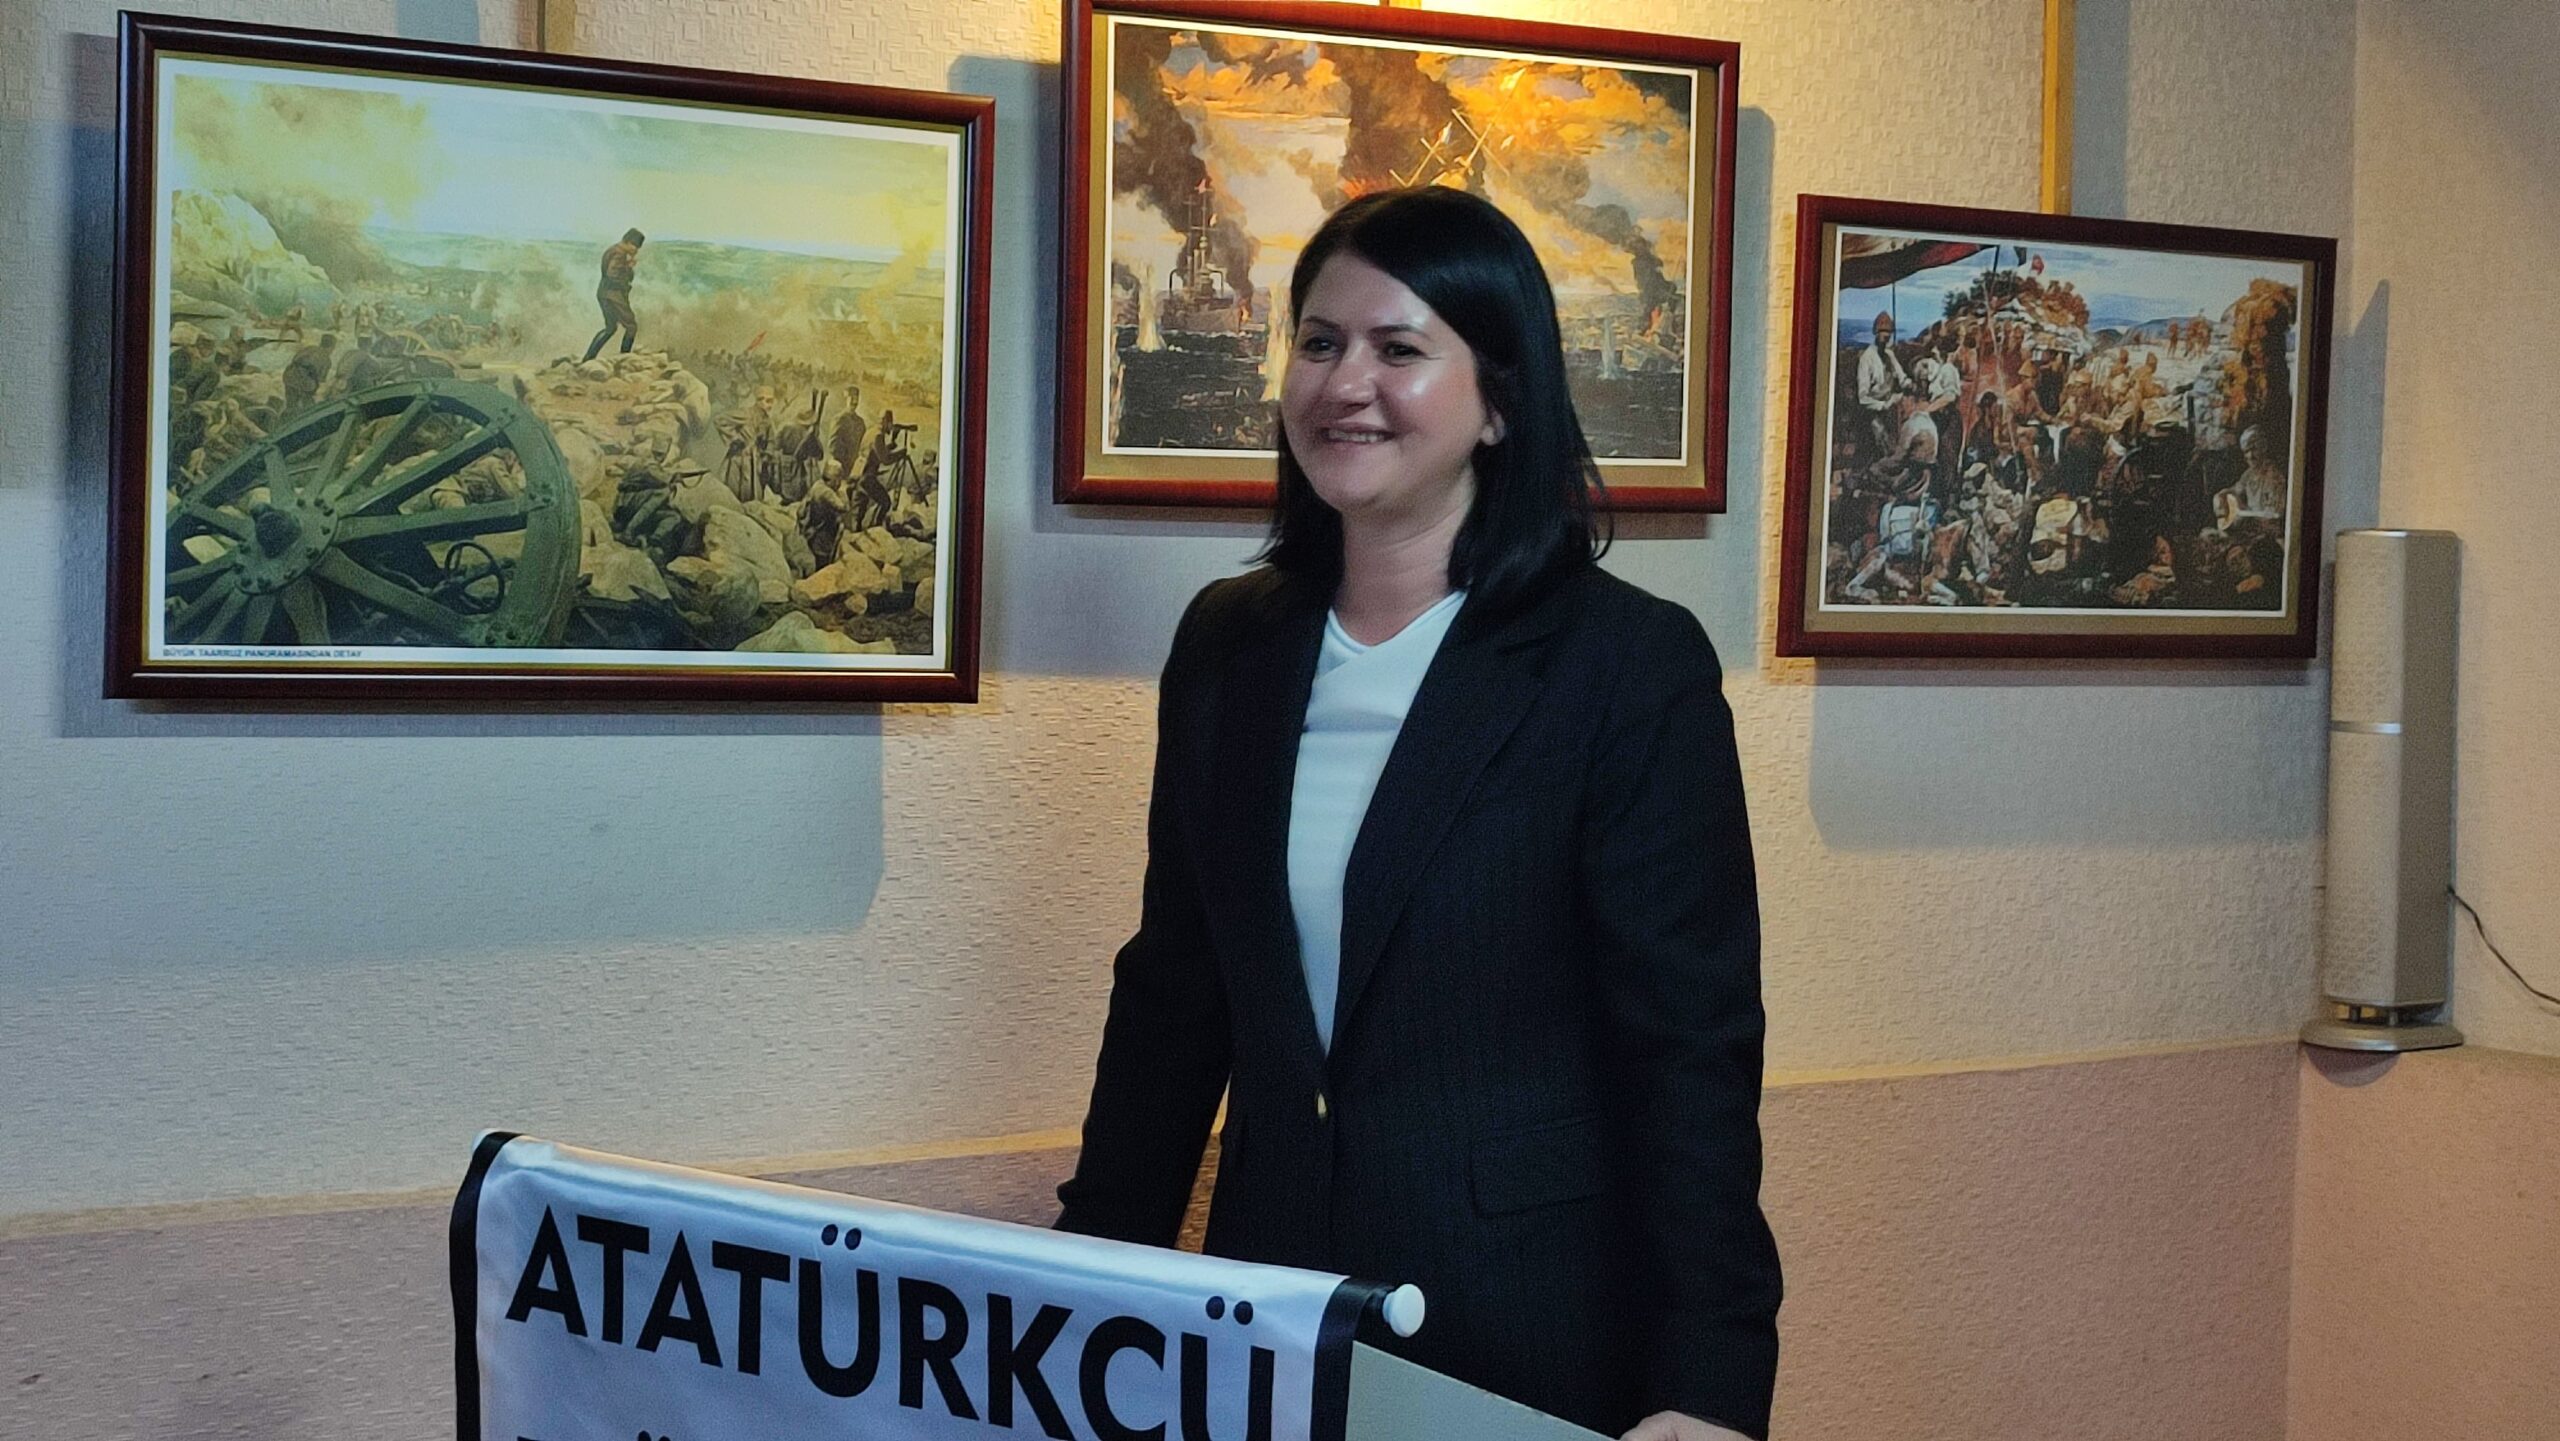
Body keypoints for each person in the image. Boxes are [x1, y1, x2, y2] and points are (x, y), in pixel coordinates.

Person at [1056, 187, 1780, 1441]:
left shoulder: (1623, 665)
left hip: (1527, 1325)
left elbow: (1688, 1051)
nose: (1346, 384)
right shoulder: (1229, 643)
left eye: (1400, 348)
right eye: (1319, 342)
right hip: (1271, 1312)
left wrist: (1707, 1385)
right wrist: (1073, 1291)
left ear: (1499, 402)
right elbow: (1175, 996)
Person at [583, 227, 645, 362]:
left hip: (604, 293)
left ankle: (588, 358)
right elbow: (613, 275)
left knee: (610, 328)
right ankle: (624, 359)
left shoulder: (613, 250)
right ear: (628, 242)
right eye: (635, 246)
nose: (636, 250)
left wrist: (627, 266)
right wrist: (628, 268)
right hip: (614, 295)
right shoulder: (619, 254)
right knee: (631, 327)